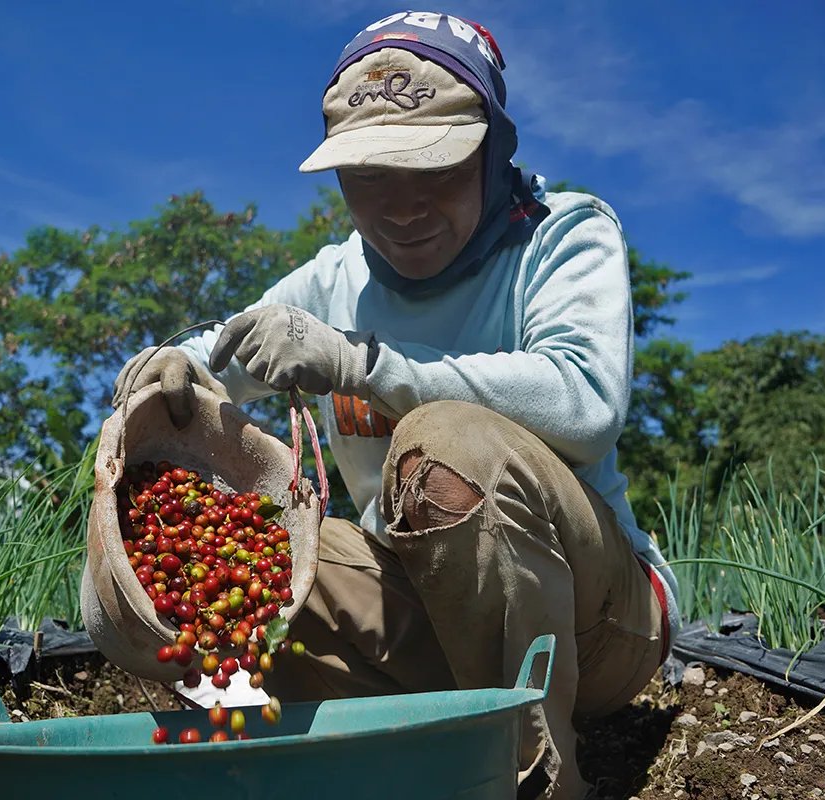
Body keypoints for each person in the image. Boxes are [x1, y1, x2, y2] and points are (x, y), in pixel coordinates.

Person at [104, 11, 679, 799]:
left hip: (597, 626)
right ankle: (303, 767)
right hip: (427, 621)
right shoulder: (334, 278)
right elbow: (215, 357)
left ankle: (526, 774)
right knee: (233, 565)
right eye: (370, 177)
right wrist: (167, 369)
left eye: (434, 170)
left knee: (446, 448)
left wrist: (362, 363)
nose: (403, 209)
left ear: (494, 152)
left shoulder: (561, 236)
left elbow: (586, 401)